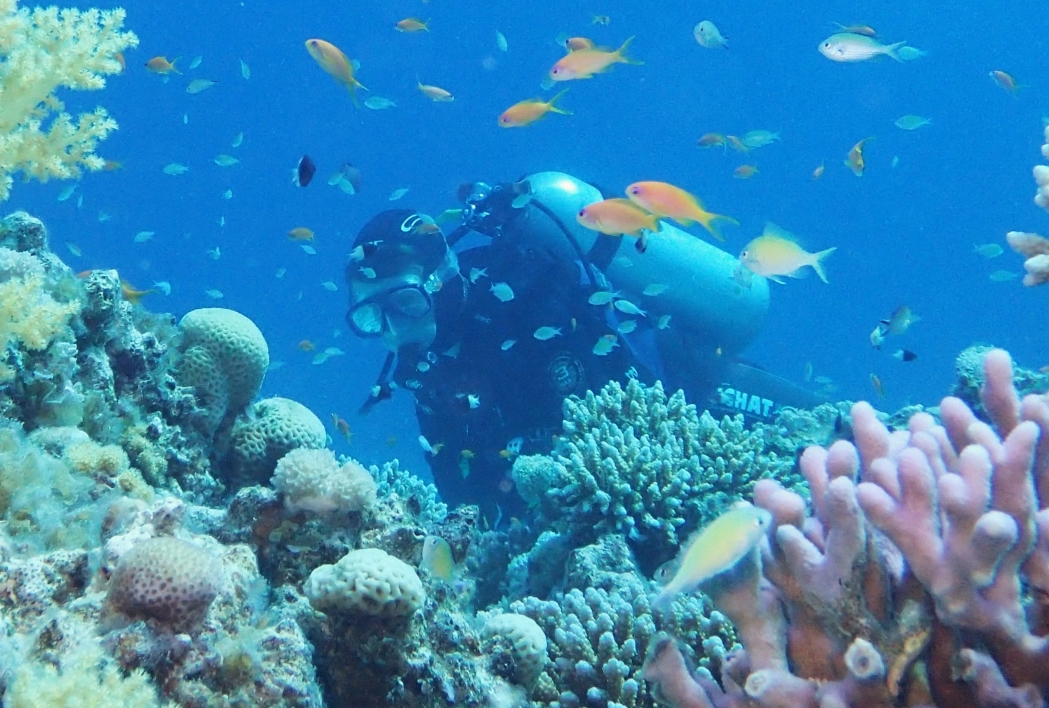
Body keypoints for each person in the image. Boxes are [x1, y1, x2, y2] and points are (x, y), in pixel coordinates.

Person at [344, 170, 824, 514]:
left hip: (692, 382)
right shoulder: (429, 377)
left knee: (837, 436)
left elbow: (620, 373)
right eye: (370, 316)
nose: (392, 329)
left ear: (441, 278)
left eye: (404, 303)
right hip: (624, 490)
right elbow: (465, 503)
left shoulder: (522, 288)